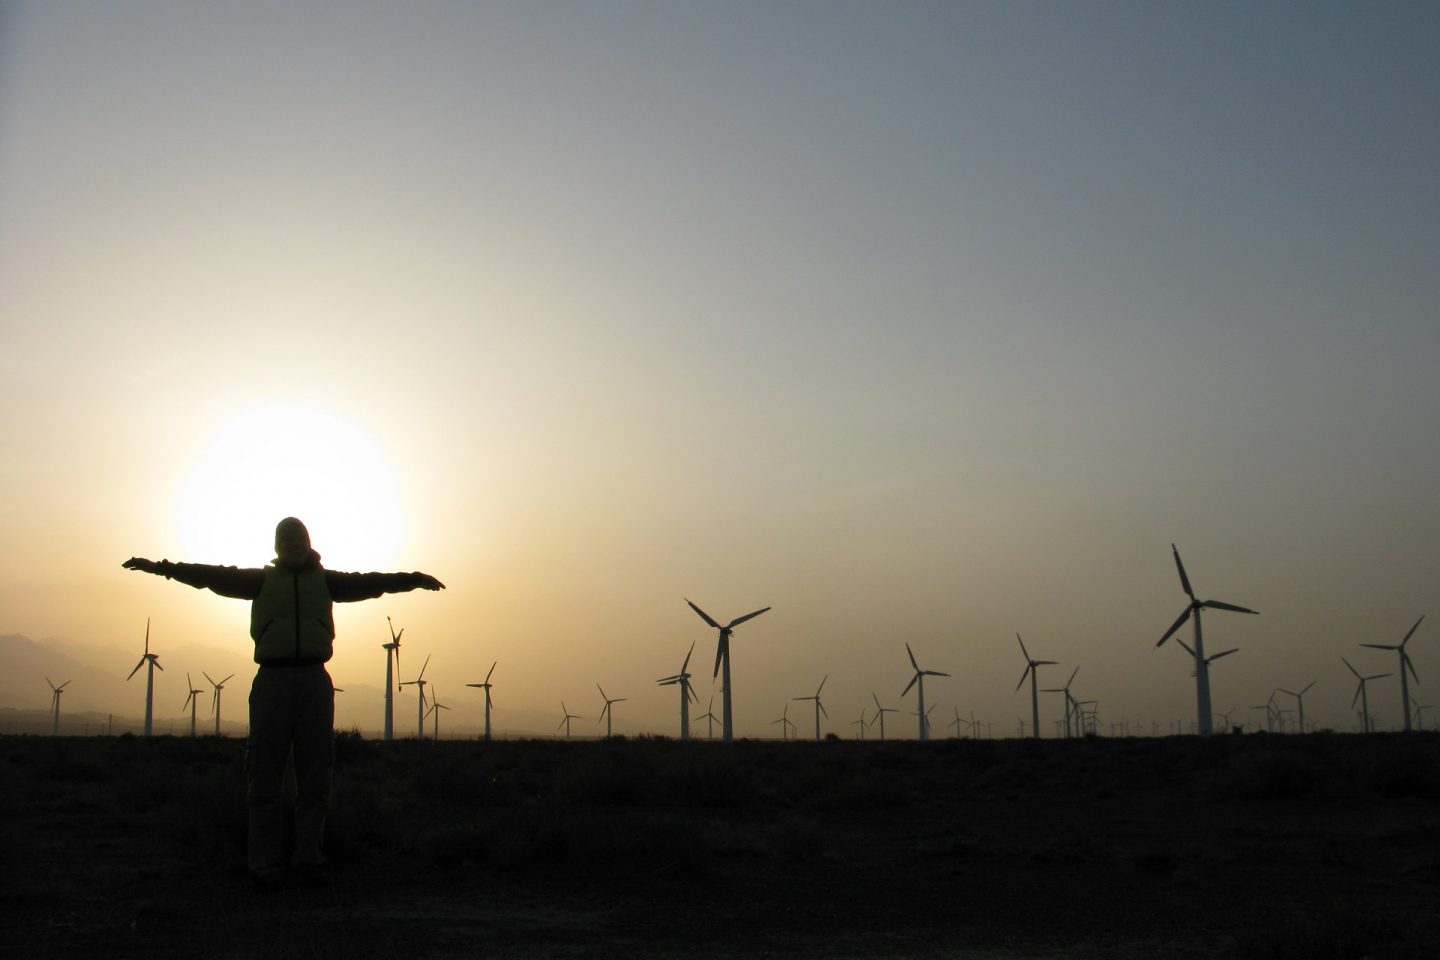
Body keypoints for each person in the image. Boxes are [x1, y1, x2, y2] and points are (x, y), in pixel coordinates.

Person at [123, 516, 444, 888]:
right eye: (286, 538)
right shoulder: (260, 580)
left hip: (314, 680)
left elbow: (373, 582)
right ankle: (264, 863)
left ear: (309, 542)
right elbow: (208, 575)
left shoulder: (327, 581)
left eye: (299, 537)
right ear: (277, 546)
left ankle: (309, 857)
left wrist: (414, 578)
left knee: (316, 773)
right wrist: (161, 568)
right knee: (264, 773)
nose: (293, 543)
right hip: (272, 680)